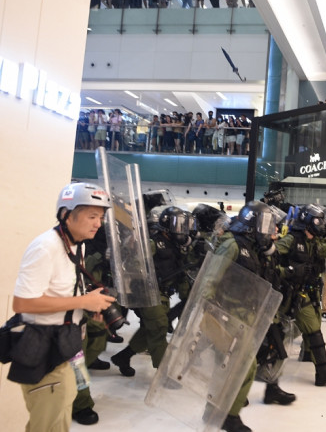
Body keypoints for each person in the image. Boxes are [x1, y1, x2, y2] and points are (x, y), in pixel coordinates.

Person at [12, 183, 115, 431]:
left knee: (60, 413)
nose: (97, 224)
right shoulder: (46, 247)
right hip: (45, 349)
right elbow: (22, 303)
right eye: (91, 216)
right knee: (49, 423)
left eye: (100, 217)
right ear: (66, 215)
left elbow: (61, 293)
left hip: (65, 345)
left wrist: (89, 307)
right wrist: (83, 302)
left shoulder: (75, 245)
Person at [214, 201, 294, 432]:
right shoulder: (232, 245)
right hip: (228, 315)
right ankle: (229, 416)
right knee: (243, 368)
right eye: (267, 225)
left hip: (249, 315)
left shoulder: (254, 249)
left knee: (235, 367)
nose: (272, 231)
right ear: (252, 224)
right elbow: (210, 280)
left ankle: (218, 411)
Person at [110, 206, 196, 377]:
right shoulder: (153, 242)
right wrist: (147, 278)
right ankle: (165, 374)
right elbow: (132, 263)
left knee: (153, 328)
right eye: (178, 225)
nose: (182, 230)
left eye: (183, 226)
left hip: (162, 294)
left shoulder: (176, 246)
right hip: (147, 292)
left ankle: (123, 356)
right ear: (166, 225)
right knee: (158, 328)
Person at [275, 204, 326, 387]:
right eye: (317, 221)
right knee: (313, 330)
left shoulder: (312, 242)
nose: (321, 225)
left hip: (309, 291)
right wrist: (288, 271)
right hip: (293, 294)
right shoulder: (291, 240)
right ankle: (324, 373)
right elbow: (271, 257)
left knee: (309, 328)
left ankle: (309, 358)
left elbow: (323, 250)